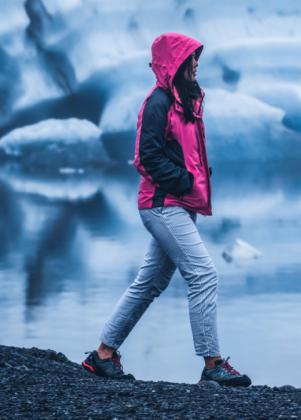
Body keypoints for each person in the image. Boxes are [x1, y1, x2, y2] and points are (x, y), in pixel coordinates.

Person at [82, 32, 251, 387]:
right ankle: (212, 365)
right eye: (190, 58)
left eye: (196, 58)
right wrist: (186, 181)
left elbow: (183, 152)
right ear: (175, 63)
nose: (196, 64)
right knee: (204, 275)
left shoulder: (185, 101)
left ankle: (102, 356)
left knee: (150, 283)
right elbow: (146, 157)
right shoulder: (158, 102)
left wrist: (198, 177)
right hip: (162, 205)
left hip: (178, 204)